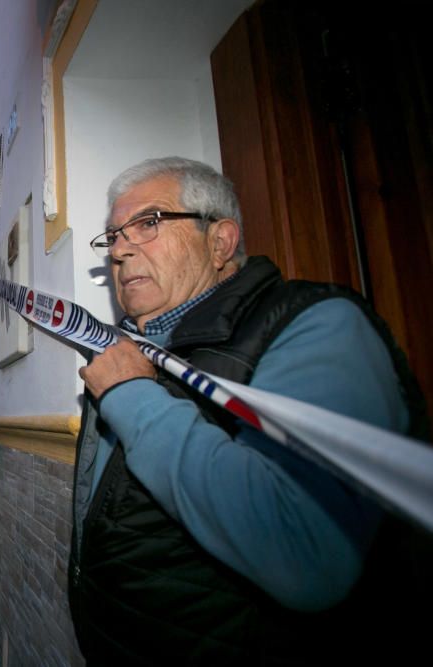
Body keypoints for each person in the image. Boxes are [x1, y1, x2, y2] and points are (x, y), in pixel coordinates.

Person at [70, 157, 423, 664]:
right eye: (113, 236)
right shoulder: (130, 347)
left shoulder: (316, 325)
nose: (121, 249)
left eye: (148, 223)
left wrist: (131, 396)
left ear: (220, 241)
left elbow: (305, 553)